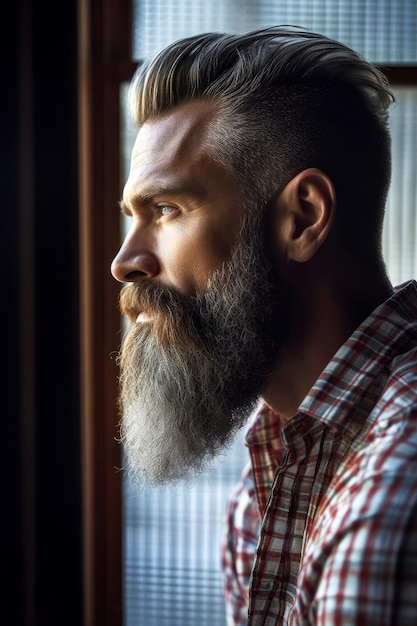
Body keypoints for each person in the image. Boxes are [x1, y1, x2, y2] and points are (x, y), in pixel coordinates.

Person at [111, 26, 417, 625]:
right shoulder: (266, 481)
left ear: (302, 217)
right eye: (132, 217)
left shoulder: (395, 498)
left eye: (166, 209)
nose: (125, 263)